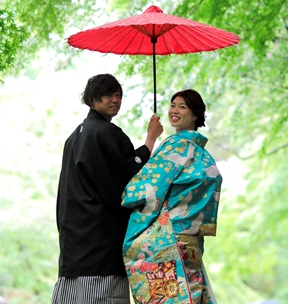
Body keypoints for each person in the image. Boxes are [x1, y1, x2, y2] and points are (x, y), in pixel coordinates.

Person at [52, 73, 164, 304]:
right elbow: (132, 178)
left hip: (74, 246)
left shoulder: (74, 137)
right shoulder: (105, 132)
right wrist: (151, 139)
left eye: (118, 95)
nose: (115, 100)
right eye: (108, 95)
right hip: (101, 246)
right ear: (92, 99)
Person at [121, 89, 223, 304]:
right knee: (191, 290)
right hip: (192, 238)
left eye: (182, 107)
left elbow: (148, 186)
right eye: (173, 105)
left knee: (172, 296)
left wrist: (127, 194)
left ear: (195, 115)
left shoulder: (177, 145)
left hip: (171, 235)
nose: (174, 111)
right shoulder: (203, 154)